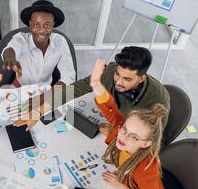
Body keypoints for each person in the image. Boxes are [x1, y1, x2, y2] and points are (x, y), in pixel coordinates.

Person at [14, 46, 170, 133]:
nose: (119, 82)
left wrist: (117, 133)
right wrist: (39, 111)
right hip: (109, 123)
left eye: (127, 79)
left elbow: (154, 138)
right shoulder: (110, 70)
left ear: (141, 78)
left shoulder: (158, 98)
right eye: (118, 74)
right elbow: (75, 89)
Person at [91, 59, 167, 189]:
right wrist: (95, 84)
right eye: (124, 129)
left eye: (133, 137)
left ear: (146, 143)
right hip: (130, 181)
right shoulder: (121, 131)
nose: (122, 136)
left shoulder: (146, 171)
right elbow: (110, 109)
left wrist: (122, 188)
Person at [1, 0, 76, 87]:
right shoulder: (21, 38)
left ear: (53, 25)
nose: (42, 31)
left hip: (47, 88)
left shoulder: (60, 42)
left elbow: (69, 76)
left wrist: (51, 93)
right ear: (30, 24)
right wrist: (10, 58)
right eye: (36, 24)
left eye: (47, 25)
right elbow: (11, 48)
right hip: (21, 87)